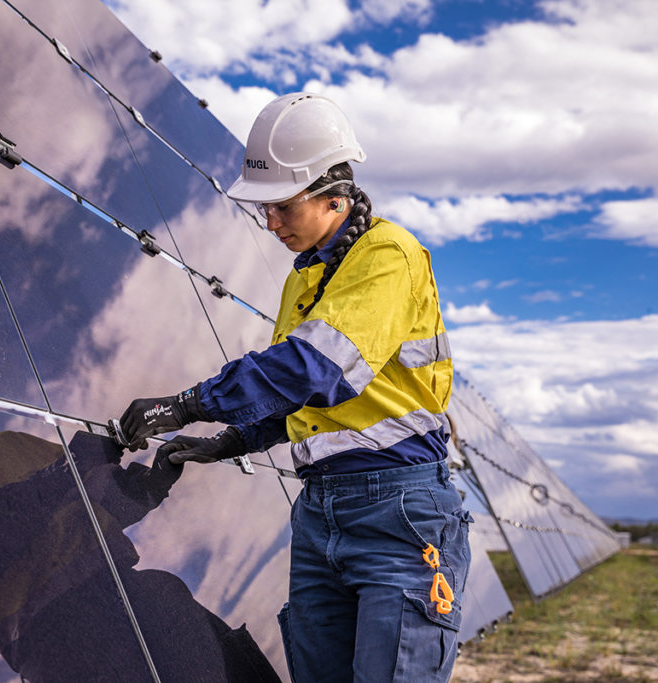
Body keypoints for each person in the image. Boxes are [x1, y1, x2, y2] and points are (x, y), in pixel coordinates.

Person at [118, 92, 472, 682]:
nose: (270, 222)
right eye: (265, 209)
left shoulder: (389, 254)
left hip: (399, 511)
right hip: (320, 513)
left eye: (282, 206)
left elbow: (315, 369)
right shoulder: (305, 276)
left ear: (335, 196)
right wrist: (229, 441)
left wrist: (188, 405)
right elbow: (305, 401)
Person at [0, 356, 280, 682]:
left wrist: (148, 486)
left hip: (137, 599)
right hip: (66, 657)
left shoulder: (4, 448)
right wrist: (69, 469)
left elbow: (97, 504)